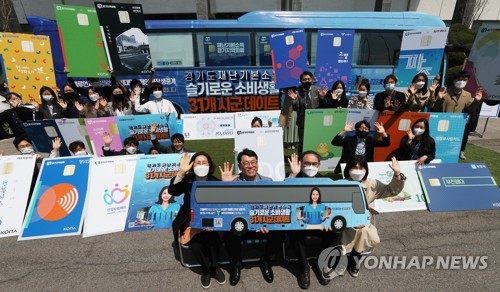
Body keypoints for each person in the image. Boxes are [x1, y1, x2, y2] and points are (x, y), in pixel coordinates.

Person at [223, 148, 285, 286]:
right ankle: (236, 264)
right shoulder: (232, 183)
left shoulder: (268, 181)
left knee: (280, 231)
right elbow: (225, 208)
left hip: (263, 225)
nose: (250, 166)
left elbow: (273, 206)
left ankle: (266, 260)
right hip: (241, 226)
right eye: (246, 163)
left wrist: (267, 222)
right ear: (240, 166)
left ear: (257, 163)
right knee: (229, 233)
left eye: (253, 162)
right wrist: (224, 186)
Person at [168, 152, 229, 289]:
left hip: (212, 220)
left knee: (212, 239)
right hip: (191, 221)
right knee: (196, 245)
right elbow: (173, 191)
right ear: (192, 165)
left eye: (204, 163)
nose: (201, 165)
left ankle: (215, 267)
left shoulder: (215, 181)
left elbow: (224, 204)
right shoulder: (187, 180)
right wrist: (181, 173)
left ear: (209, 165)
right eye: (198, 163)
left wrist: (226, 185)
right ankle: (206, 270)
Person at [342, 156, 406, 277]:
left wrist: (397, 174)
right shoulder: (341, 185)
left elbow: (392, 191)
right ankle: (341, 260)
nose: (357, 170)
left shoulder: (373, 184)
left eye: (361, 167)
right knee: (341, 234)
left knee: (364, 232)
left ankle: (355, 261)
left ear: (366, 169)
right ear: (348, 169)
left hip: (363, 222)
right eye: (354, 167)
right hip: (344, 221)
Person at [287, 151, 338, 288]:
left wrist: (328, 220)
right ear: (301, 164)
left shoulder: (326, 181)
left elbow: (332, 205)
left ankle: (319, 262)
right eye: (307, 163)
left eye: (314, 163)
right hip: (300, 221)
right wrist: (293, 174)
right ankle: (304, 267)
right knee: (294, 232)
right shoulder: (292, 177)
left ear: (319, 165)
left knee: (335, 231)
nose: (310, 166)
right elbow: (284, 196)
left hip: (320, 221)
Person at [430, 70, 483, 160]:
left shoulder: (468, 95)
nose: (462, 82)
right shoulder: (445, 92)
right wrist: (439, 99)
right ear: (454, 80)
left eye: (465, 80)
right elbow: (434, 109)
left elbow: (469, 111)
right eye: (459, 79)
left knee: (452, 147)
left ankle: (454, 157)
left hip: (457, 126)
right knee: (440, 144)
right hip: (443, 124)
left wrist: (476, 101)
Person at [287, 71, 328, 154]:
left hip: (316, 122)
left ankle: (315, 159)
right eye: (304, 79)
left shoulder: (318, 90)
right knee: (302, 143)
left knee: (315, 141)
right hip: (302, 122)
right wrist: (294, 100)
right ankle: (301, 160)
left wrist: (322, 98)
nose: (307, 81)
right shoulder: (297, 91)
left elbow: (324, 106)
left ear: (312, 80)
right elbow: (295, 108)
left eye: (308, 79)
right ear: (301, 81)